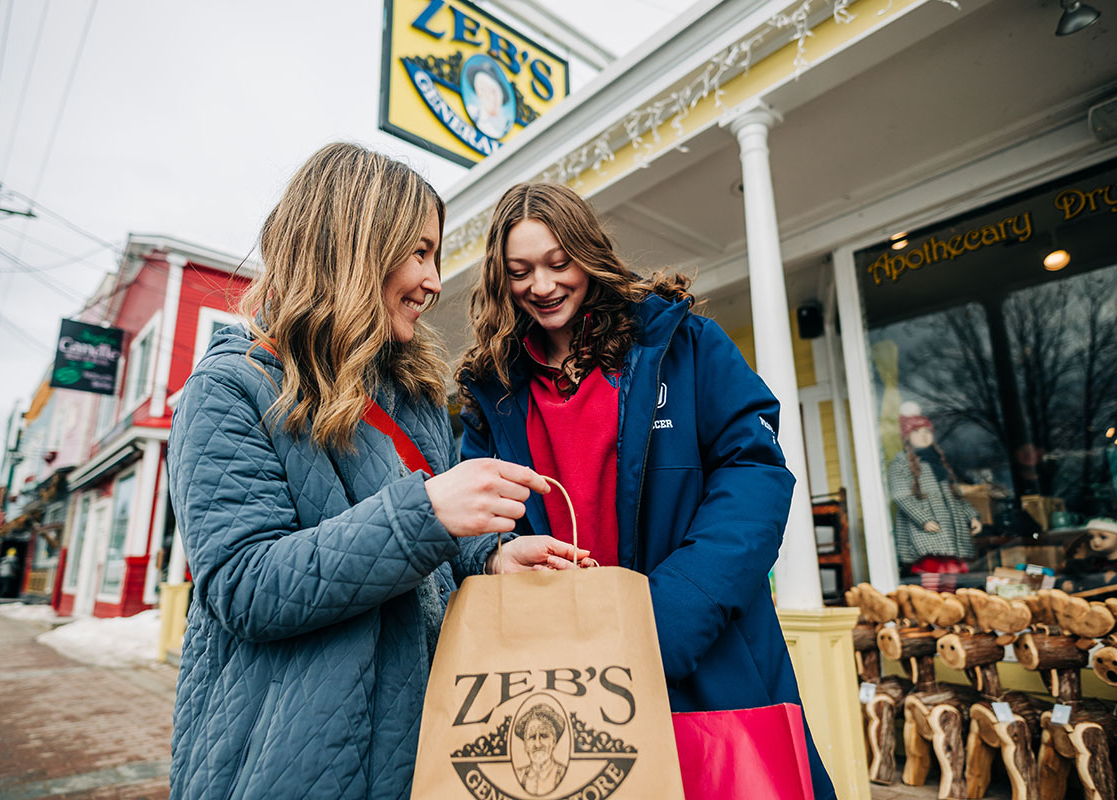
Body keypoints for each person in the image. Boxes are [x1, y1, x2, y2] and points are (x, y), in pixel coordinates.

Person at [166, 144, 589, 800]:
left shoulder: (415, 395)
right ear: (354, 244)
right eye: (420, 252)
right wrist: (428, 512)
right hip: (288, 765)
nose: (434, 281)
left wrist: (491, 557)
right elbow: (245, 587)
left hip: (424, 749)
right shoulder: (228, 388)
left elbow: (434, 551)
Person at [455, 182, 835, 799]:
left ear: (588, 254)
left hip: (700, 654)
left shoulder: (685, 345)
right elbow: (480, 529)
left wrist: (670, 616)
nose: (542, 286)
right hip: (565, 674)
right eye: (520, 272)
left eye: (559, 263)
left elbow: (755, 473)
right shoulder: (491, 392)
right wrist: (495, 559)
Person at [889, 402, 982, 574]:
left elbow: (955, 495)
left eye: (927, 432)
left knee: (952, 570)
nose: (923, 436)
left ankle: (949, 591)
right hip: (927, 528)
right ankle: (931, 591)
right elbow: (900, 496)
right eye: (916, 432)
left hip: (950, 527)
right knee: (932, 568)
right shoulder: (902, 462)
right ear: (907, 436)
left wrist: (971, 516)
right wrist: (923, 519)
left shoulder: (938, 461)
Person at [513, 703, 567, 795]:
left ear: (554, 741)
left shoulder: (564, 774)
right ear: (525, 745)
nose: (537, 744)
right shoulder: (518, 776)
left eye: (544, 736)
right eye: (532, 737)